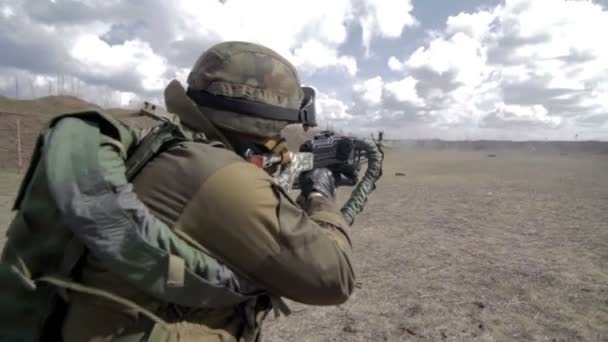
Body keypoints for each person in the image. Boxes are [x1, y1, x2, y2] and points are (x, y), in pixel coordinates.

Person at [0, 41, 355, 342]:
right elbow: (334, 279)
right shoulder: (221, 176)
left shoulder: (175, 147)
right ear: (267, 120)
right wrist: (321, 197)